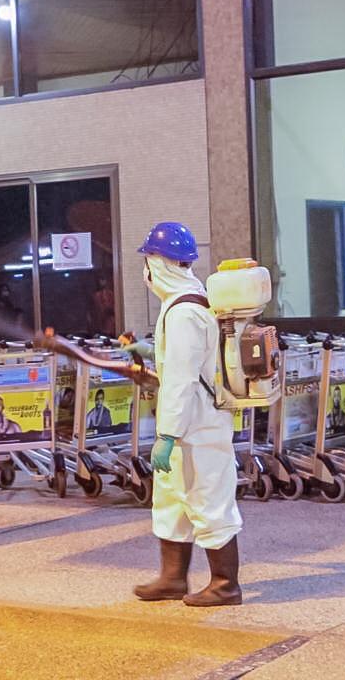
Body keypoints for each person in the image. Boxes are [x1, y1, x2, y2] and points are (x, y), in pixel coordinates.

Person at [125, 222, 242, 607]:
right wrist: (149, 350)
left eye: (148, 260)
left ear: (160, 263)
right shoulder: (187, 301)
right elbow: (184, 364)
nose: (145, 270)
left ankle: (225, 585)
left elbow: (180, 380)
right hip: (191, 422)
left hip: (197, 426)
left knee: (208, 501)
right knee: (173, 500)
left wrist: (167, 435)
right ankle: (173, 578)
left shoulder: (183, 312)